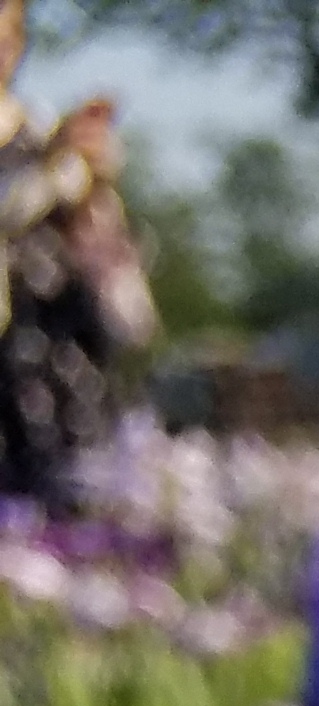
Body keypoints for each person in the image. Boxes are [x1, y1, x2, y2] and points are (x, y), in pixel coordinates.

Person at [0, 0, 156, 498]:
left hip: (60, 357)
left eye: (6, 39)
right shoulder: (45, 145)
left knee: (72, 508)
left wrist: (96, 178)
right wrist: (48, 166)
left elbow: (103, 249)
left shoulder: (42, 127)